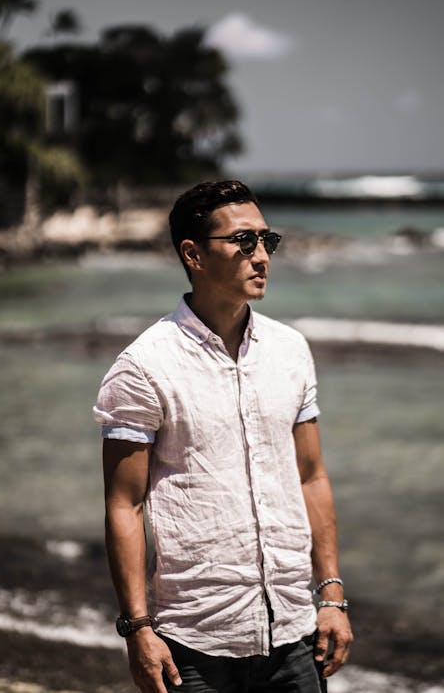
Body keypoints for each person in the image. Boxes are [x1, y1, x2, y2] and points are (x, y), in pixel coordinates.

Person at [94, 180, 353, 693]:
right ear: (193, 254)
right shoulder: (144, 366)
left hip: (295, 634)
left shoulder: (291, 350)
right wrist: (138, 629)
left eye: (267, 241)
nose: (262, 256)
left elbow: (311, 475)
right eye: (244, 241)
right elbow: (125, 504)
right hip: (194, 641)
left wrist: (331, 597)